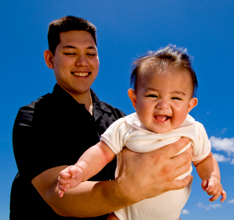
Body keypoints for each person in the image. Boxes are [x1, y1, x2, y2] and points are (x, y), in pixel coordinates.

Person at [10, 16, 194, 220]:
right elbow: (57, 194)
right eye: (70, 53)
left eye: (91, 53)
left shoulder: (121, 119)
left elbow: (151, 180)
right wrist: (126, 191)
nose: (82, 62)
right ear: (50, 59)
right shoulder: (33, 117)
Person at [58, 45, 226, 220]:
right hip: (125, 213)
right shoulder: (126, 126)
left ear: (190, 105)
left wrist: (212, 177)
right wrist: (81, 169)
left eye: (175, 98)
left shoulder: (193, 130)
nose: (163, 105)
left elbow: (205, 159)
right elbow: (101, 152)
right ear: (134, 99)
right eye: (153, 95)